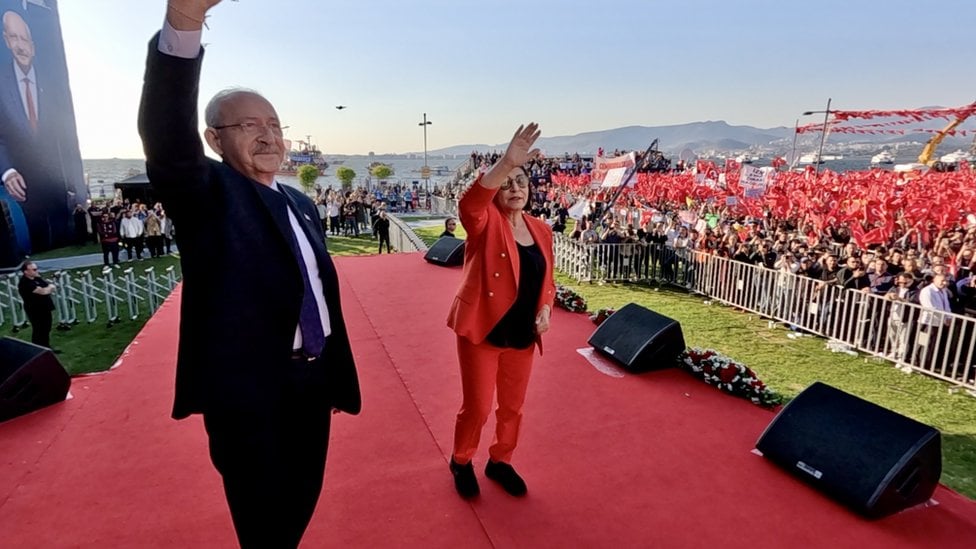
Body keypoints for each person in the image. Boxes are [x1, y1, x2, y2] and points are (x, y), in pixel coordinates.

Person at [137, 2, 361, 547]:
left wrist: (325, 367)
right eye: (248, 125)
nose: (268, 136)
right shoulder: (207, 195)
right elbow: (166, 140)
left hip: (311, 385)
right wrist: (185, 21)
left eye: (274, 124)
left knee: (300, 503)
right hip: (250, 396)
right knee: (264, 524)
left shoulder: (301, 203)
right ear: (215, 139)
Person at [445, 123, 556, 499]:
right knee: (477, 408)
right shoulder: (484, 222)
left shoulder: (542, 230)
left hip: (523, 337)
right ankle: (461, 461)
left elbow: (548, 281)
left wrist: (545, 309)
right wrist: (507, 162)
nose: (515, 189)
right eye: (507, 183)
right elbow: (470, 203)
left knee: (512, 408)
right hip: (483, 331)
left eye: (520, 181)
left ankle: (501, 461)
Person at [17, 260, 55, 349]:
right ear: (26, 272)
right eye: (34, 269)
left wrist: (47, 288)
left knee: (46, 328)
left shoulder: (37, 278)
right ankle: (37, 348)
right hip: (35, 310)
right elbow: (43, 291)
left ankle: (46, 347)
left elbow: (51, 286)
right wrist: (46, 289)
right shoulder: (24, 283)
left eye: (36, 269)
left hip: (45, 307)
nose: (36, 271)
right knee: (39, 330)